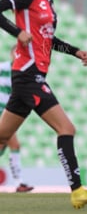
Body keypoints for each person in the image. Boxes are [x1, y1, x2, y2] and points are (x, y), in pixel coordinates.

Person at [0, 0, 87, 208]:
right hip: (29, 75)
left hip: (29, 76)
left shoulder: (47, 2)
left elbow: (48, 41)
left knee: (2, 137)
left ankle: (77, 190)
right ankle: (77, 190)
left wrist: (74, 51)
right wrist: (18, 32)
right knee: (66, 129)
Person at [0, 45, 34, 192]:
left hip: (7, 114)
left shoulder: (24, 73)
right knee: (14, 145)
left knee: (4, 146)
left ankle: (19, 182)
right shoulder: (3, 68)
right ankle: (19, 183)